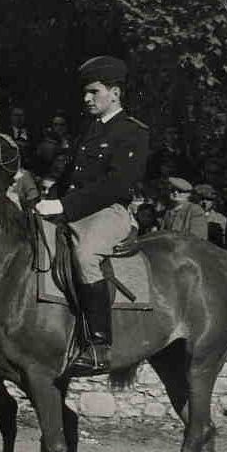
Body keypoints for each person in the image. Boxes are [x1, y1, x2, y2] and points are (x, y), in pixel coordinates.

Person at [33, 56, 147, 371]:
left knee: (85, 255)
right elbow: (71, 176)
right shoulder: (88, 130)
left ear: (115, 93)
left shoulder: (132, 131)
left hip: (110, 210)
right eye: (85, 92)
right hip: (75, 208)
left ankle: (99, 343)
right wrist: (47, 199)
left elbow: (116, 184)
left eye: (94, 92)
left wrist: (64, 206)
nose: (86, 98)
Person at [160, 176, 213, 240]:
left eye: (180, 191)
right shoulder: (169, 210)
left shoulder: (195, 210)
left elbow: (197, 238)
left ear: (188, 194)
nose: (175, 193)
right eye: (172, 190)